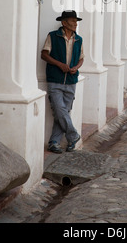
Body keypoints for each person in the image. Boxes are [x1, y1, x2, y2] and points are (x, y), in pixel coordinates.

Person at [41, 10, 84, 154]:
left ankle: (54, 142)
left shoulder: (79, 39)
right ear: (64, 23)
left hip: (71, 81)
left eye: (76, 21)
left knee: (63, 112)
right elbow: (44, 54)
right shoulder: (53, 36)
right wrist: (60, 65)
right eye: (72, 21)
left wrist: (76, 68)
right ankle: (73, 135)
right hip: (55, 79)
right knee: (59, 109)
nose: (75, 24)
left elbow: (81, 58)